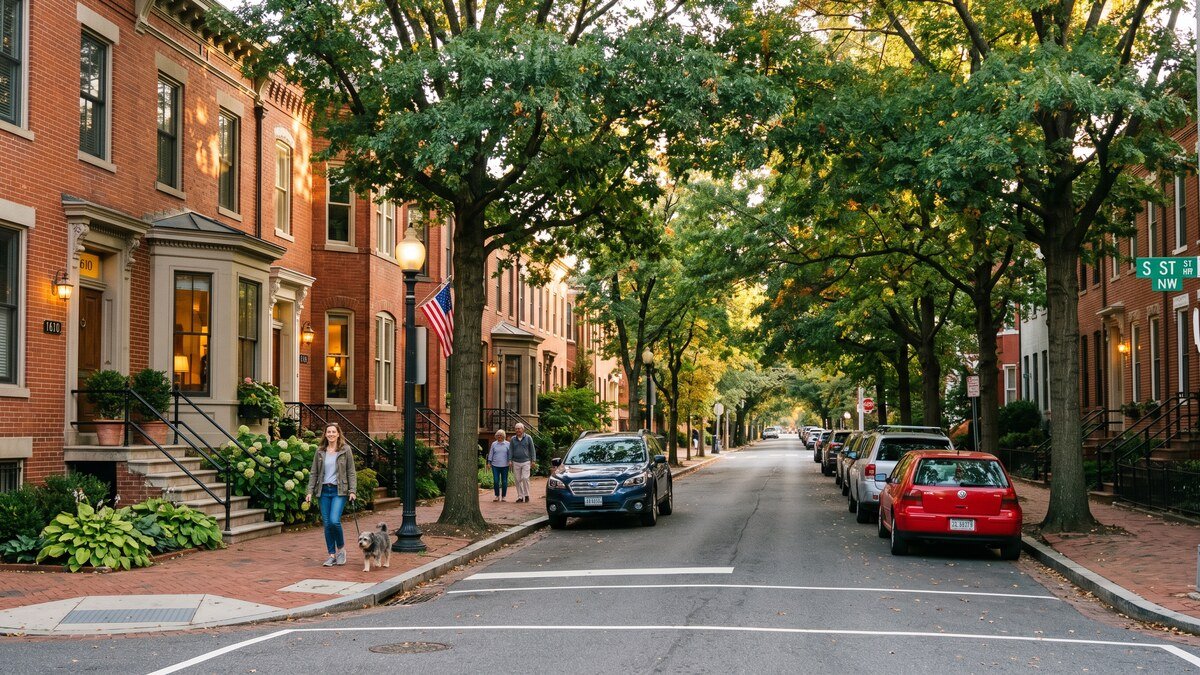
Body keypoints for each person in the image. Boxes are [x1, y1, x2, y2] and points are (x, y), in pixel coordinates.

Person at [305, 423, 357, 566]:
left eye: (334, 432)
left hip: (339, 490)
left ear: (338, 434)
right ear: (325, 434)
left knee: (334, 520)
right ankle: (331, 555)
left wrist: (352, 491)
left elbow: (351, 472)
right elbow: (314, 472)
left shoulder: (345, 450)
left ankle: (341, 549)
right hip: (323, 491)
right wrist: (309, 491)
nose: (331, 434)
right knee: (327, 524)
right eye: (329, 432)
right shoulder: (320, 451)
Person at [510, 423, 536, 503]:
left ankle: (526, 495)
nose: (518, 430)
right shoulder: (513, 439)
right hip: (516, 461)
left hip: (526, 461)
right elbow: (510, 450)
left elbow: (532, 450)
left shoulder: (528, 438)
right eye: (516, 429)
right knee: (517, 480)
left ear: (523, 429)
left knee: (525, 478)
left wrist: (533, 460)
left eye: (519, 428)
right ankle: (520, 496)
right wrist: (510, 460)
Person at [487, 429, 511, 502]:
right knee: (496, 481)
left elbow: (509, 454)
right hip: (495, 465)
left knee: (504, 481)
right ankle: (497, 495)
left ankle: (503, 496)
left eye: (501, 435)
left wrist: (510, 461)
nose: (499, 436)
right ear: (496, 436)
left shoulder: (507, 444)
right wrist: (489, 463)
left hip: (505, 466)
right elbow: (491, 454)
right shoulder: (494, 444)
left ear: (503, 436)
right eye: (498, 435)